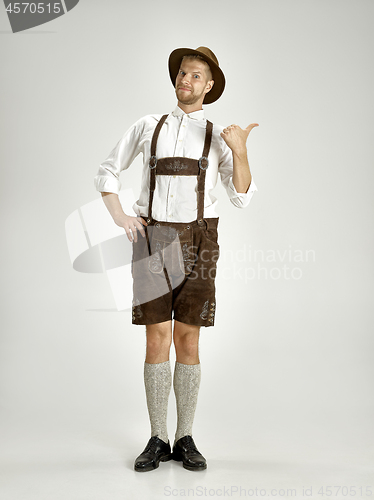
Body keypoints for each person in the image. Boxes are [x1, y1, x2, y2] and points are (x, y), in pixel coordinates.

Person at [94, 46, 258, 472]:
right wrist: (121, 215)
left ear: (209, 86)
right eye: (183, 73)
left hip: (202, 240)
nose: (187, 80)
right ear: (177, 80)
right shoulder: (149, 126)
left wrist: (240, 151)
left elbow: (240, 197)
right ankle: (157, 437)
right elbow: (108, 170)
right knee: (155, 340)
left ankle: (184, 437)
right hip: (154, 240)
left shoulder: (220, 136)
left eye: (196, 76)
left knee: (189, 339)